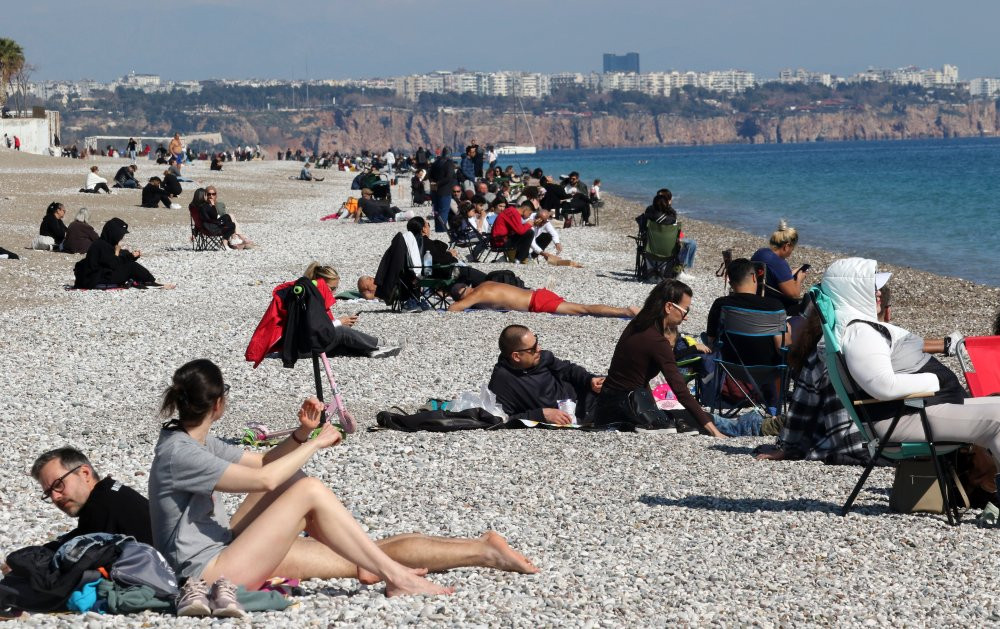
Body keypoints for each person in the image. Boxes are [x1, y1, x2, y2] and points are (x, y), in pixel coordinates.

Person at [149, 359, 538, 608]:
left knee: (302, 488)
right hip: (208, 574)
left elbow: (268, 463)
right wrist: (317, 443)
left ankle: (421, 560)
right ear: (219, 403)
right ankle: (396, 576)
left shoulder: (194, 439)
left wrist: (301, 434)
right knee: (309, 491)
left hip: (224, 546)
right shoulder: (179, 454)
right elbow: (264, 479)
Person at [592, 279, 726, 436]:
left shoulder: (637, 325)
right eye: (685, 311)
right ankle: (740, 426)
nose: (685, 317)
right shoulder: (656, 340)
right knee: (709, 419)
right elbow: (680, 389)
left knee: (678, 417)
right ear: (669, 307)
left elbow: (646, 372)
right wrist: (714, 431)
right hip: (629, 409)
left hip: (607, 407)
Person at [246, 262, 402, 364]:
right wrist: (339, 322)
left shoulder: (309, 292)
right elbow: (314, 329)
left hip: (300, 346)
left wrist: (339, 323)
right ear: (321, 282)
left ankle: (372, 351)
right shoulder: (308, 297)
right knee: (342, 333)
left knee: (342, 344)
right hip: (300, 349)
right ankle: (380, 344)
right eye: (332, 288)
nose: (333, 293)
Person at [705, 258, 790, 411]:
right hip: (768, 370)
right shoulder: (774, 306)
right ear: (753, 277)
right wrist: (788, 329)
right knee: (785, 338)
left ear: (730, 281)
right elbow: (781, 347)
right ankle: (774, 405)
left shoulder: (721, 304)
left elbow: (711, 341)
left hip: (730, 368)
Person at [30, 447, 153, 548]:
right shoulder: (110, 492)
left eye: (58, 485)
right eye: (48, 493)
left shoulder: (103, 508)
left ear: (85, 473)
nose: (55, 497)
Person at [488, 325, 603, 425]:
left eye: (537, 342)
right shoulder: (503, 381)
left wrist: (589, 379)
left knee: (610, 386)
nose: (539, 349)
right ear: (516, 356)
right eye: (533, 348)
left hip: (585, 396)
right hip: (574, 418)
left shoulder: (541, 358)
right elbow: (502, 420)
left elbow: (568, 369)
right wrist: (541, 415)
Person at [448, 281, 637, 318]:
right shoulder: (484, 284)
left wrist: (460, 302)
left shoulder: (476, 294)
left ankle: (626, 311)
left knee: (583, 309)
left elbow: (454, 308)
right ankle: (625, 311)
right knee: (582, 308)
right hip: (537, 295)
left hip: (537, 302)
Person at [72, 217, 169, 289]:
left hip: (98, 276)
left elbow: (116, 258)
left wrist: (131, 255)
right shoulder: (102, 245)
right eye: (120, 234)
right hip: (96, 279)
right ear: (113, 233)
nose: (121, 237)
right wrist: (126, 255)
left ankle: (148, 281)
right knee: (131, 266)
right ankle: (150, 281)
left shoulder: (105, 242)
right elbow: (114, 264)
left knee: (128, 263)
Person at [750, 220, 809, 315]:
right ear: (786, 246)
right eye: (792, 248)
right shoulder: (779, 263)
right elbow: (795, 295)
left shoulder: (760, 252)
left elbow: (772, 276)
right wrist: (799, 279)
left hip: (757, 296)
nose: (791, 252)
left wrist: (790, 274)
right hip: (773, 306)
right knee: (808, 304)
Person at [428, 147, 457, 232]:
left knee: (436, 211)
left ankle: (438, 228)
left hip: (434, 190)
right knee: (443, 211)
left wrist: (433, 183)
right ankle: (442, 229)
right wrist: (438, 183)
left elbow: (429, 175)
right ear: (450, 153)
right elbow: (449, 177)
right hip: (445, 191)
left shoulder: (436, 162)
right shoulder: (449, 163)